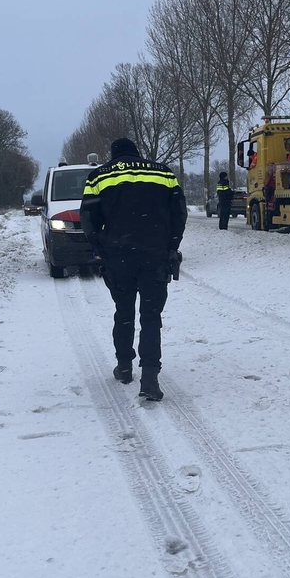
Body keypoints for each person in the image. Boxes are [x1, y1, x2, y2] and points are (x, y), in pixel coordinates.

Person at [80, 138, 187, 401]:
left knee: (124, 311)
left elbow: (88, 219)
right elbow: (179, 214)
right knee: (151, 316)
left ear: (112, 154)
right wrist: (171, 246)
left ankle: (125, 367)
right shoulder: (164, 173)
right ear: (137, 152)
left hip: (119, 257)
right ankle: (150, 377)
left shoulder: (98, 177)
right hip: (155, 255)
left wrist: (101, 249)